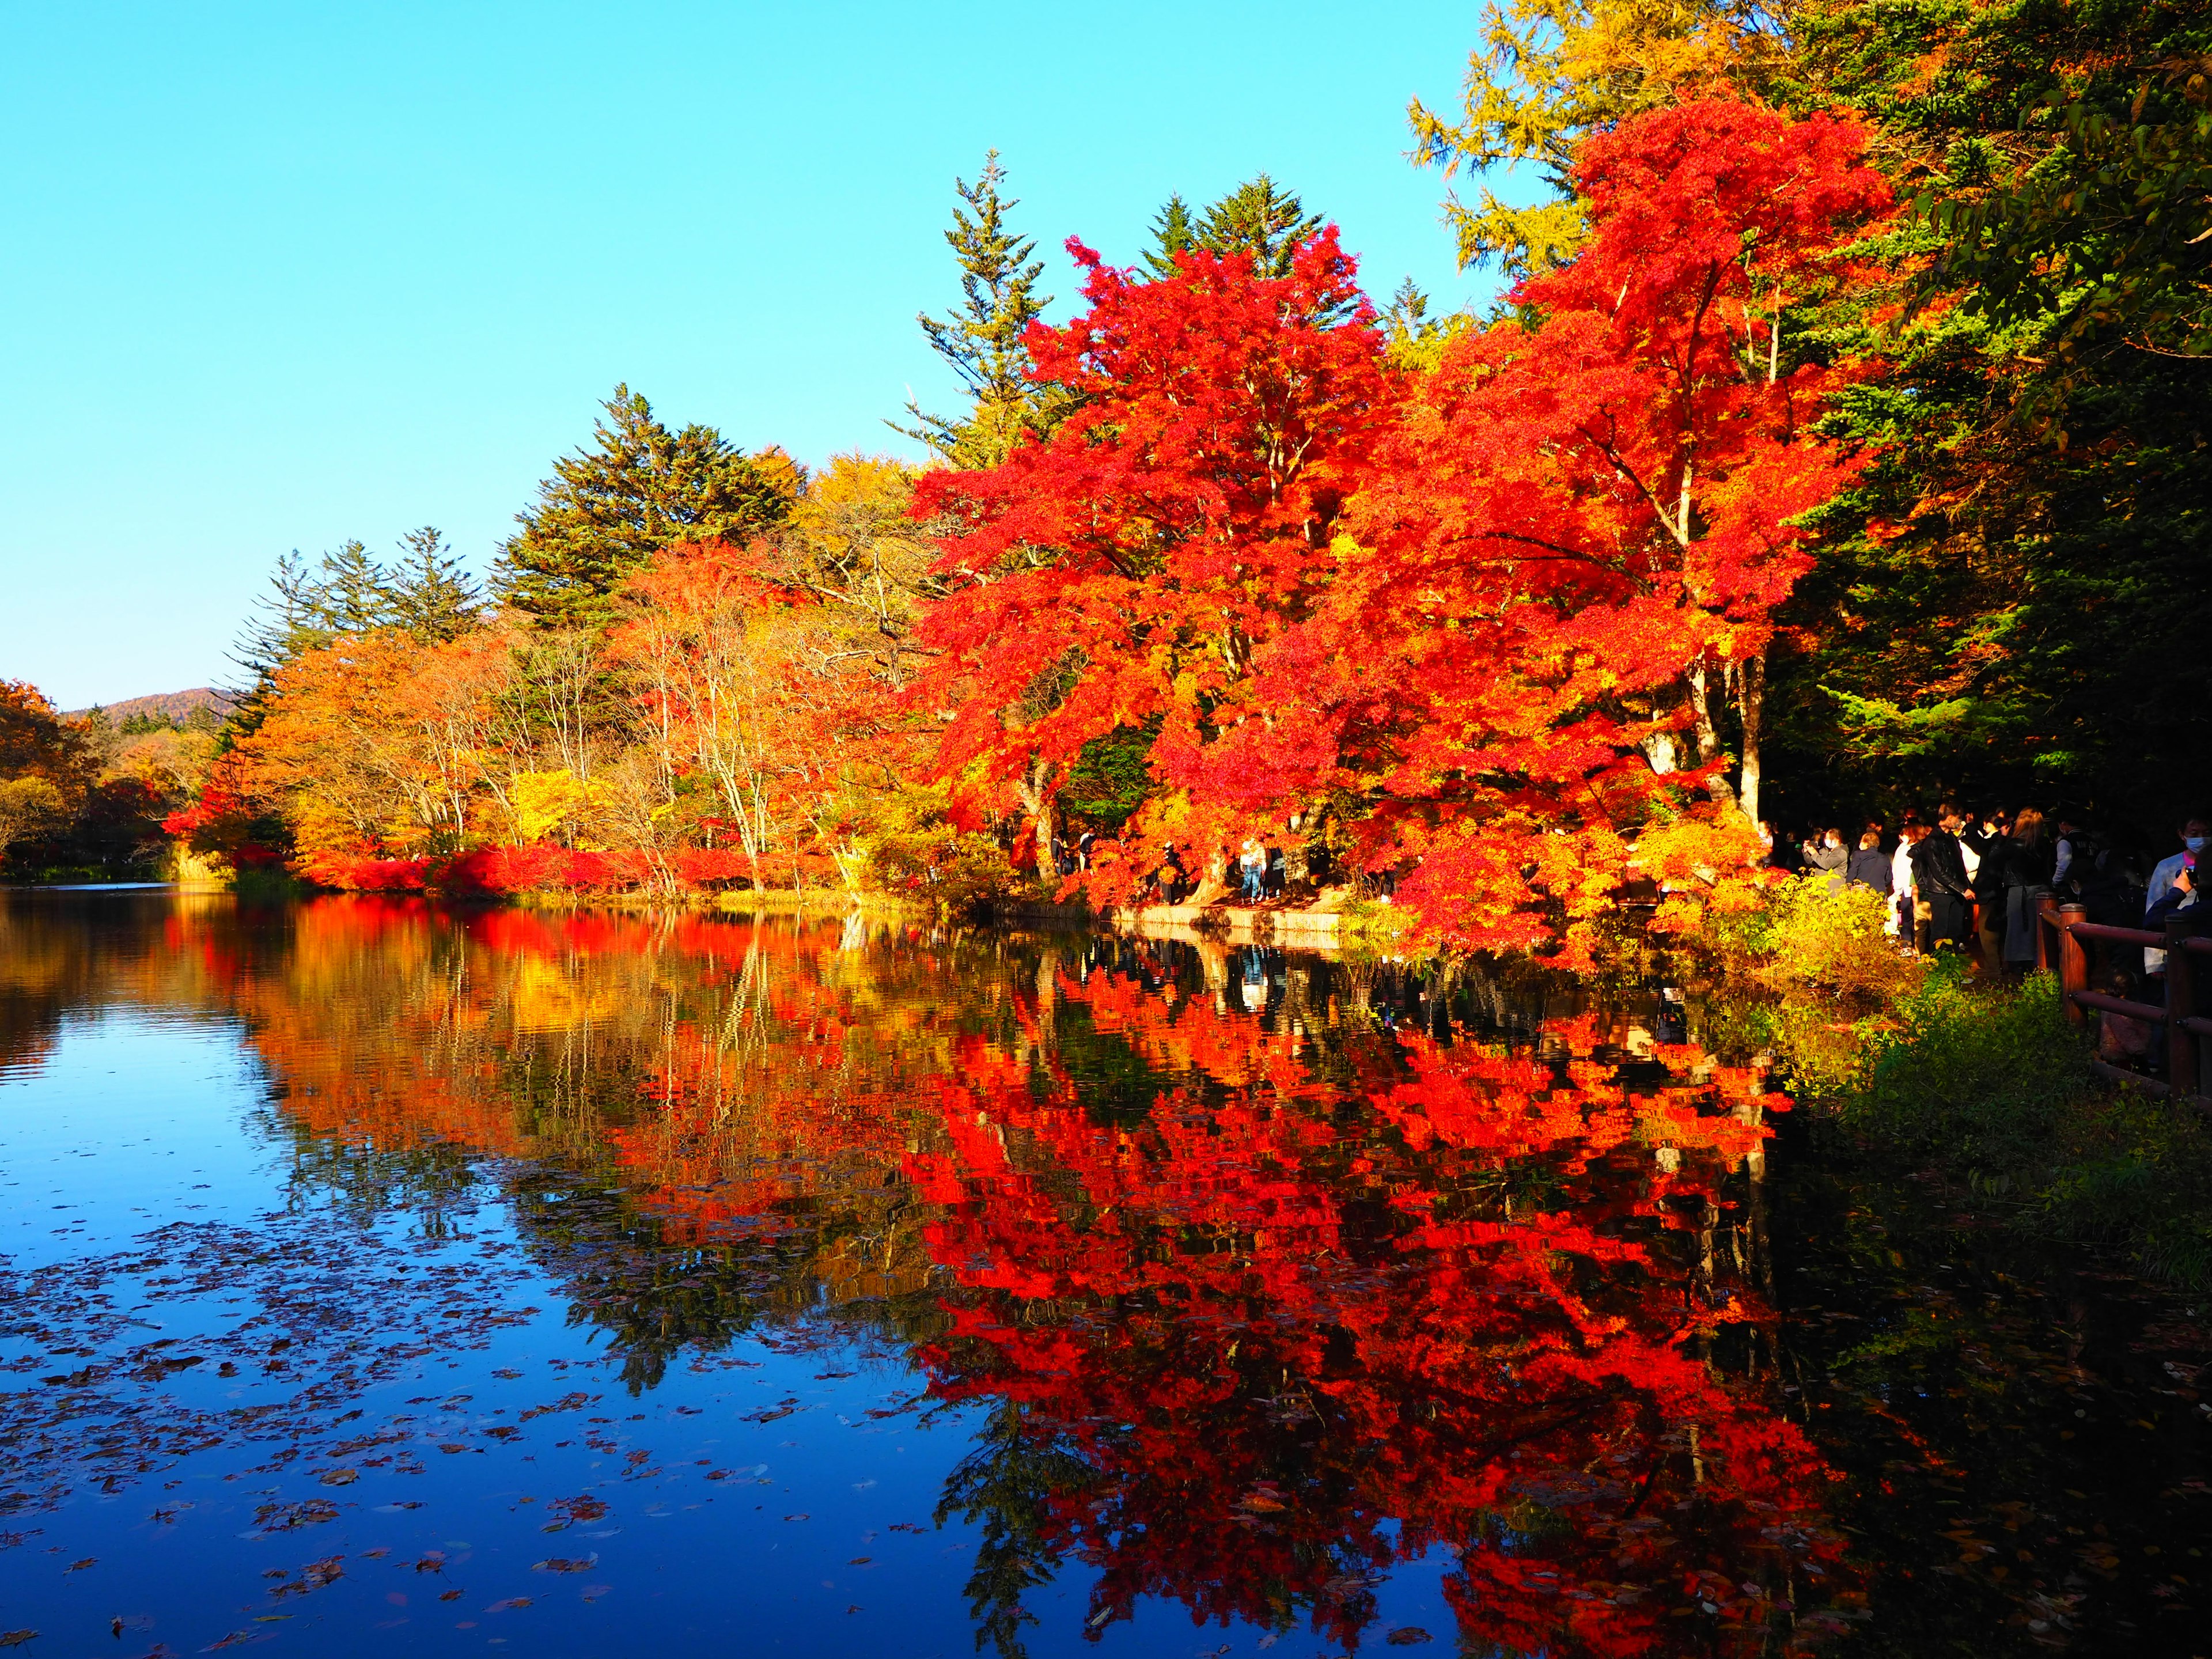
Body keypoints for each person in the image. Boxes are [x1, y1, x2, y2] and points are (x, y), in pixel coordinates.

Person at [2145, 813, 2208, 976]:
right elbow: (2153, 908)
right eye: (2194, 834)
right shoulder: (2167, 866)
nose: (2201, 839)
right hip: (2174, 950)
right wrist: (2154, 963)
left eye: (2207, 833)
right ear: (2182, 835)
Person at [1910, 804, 1977, 950]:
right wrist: (1962, 889)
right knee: (1940, 933)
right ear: (1950, 817)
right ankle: (1938, 968)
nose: (1959, 822)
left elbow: (1959, 867)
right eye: (1958, 818)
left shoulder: (1951, 838)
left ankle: (1951, 967)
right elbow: (1938, 871)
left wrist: (1965, 888)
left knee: (1955, 932)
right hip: (1940, 893)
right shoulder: (1932, 840)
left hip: (1956, 893)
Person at [2001, 808, 2055, 970]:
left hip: (2019, 891)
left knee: (2019, 932)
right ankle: (2042, 965)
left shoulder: (2013, 844)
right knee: (2040, 932)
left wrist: (2002, 838)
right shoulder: (2045, 844)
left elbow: (1993, 858)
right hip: (2042, 891)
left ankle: (2020, 967)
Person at [1846, 829, 1891, 897]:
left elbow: (1852, 872)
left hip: (1862, 892)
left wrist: (1848, 887)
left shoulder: (1858, 855)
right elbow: (1889, 878)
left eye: (1861, 841)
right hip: (1880, 893)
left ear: (1866, 843)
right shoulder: (1885, 858)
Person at [1804, 828, 1849, 893]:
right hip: (1821, 888)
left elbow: (1826, 865)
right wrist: (1807, 851)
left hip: (1834, 890)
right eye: (1826, 838)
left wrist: (1813, 852)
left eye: (1829, 838)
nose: (1826, 840)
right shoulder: (1825, 851)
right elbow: (1812, 861)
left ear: (1837, 839)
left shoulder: (1841, 853)